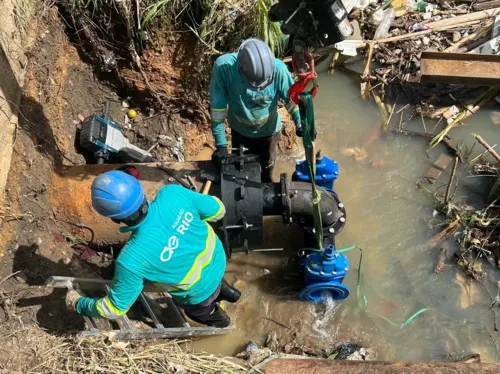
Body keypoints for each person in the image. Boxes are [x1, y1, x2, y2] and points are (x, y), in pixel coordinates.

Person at [65, 170, 241, 328]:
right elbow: (219, 210)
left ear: (114, 219)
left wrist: (78, 303)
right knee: (211, 278)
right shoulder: (173, 193)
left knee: (199, 311)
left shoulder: (131, 260)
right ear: (139, 189)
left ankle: (223, 322)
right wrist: (186, 218)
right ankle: (231, 293)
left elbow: (113, 309)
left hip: (198, 294)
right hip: (219, 260)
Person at [210, 38, 302, 182]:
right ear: (241, 69)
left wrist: (300, 122)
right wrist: (221, 145)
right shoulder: (224, 69)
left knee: (267, 173)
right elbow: (217, 111)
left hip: (269, 134)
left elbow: (292, 101)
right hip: (240, 133)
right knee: (242, 174)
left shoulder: (279, 69)